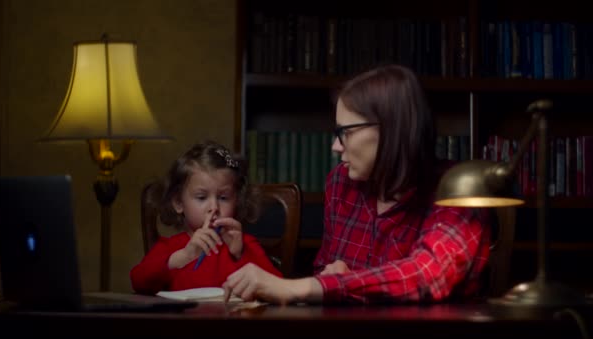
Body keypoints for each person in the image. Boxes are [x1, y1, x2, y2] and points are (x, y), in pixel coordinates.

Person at [222, 64, 491, 305]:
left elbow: (428, 275)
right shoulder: (341, 183)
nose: (336, 146)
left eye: (345, 133)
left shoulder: (459, 189)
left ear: (390, 129)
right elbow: (325, 273)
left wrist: (302, 287)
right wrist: (334, 278)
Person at [130, 140, 282, 295]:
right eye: (202, 197)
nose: (214, 208)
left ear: (237, 200)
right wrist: (182, 257)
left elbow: (278, 286)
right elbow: (138, 281)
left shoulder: (245, 244)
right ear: (178, 203)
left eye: (223, 198)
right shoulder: (168, 248)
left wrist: (240, 255)